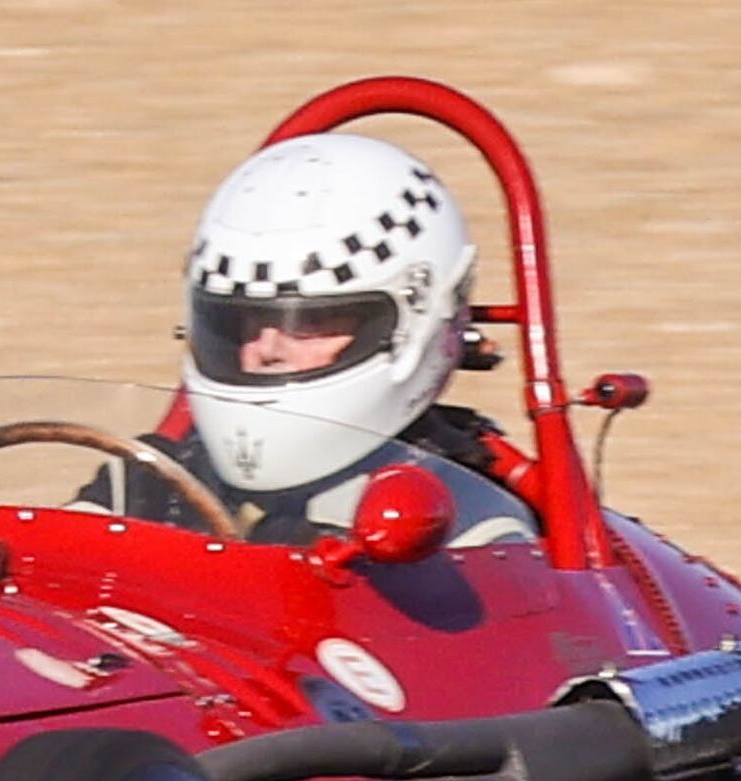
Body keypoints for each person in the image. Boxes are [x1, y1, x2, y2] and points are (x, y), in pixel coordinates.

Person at [152, 132, 538, 549]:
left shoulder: (474, 525)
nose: (265, 351)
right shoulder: (153, 480)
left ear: (413, 323)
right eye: (241, 321)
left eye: (312, 322)